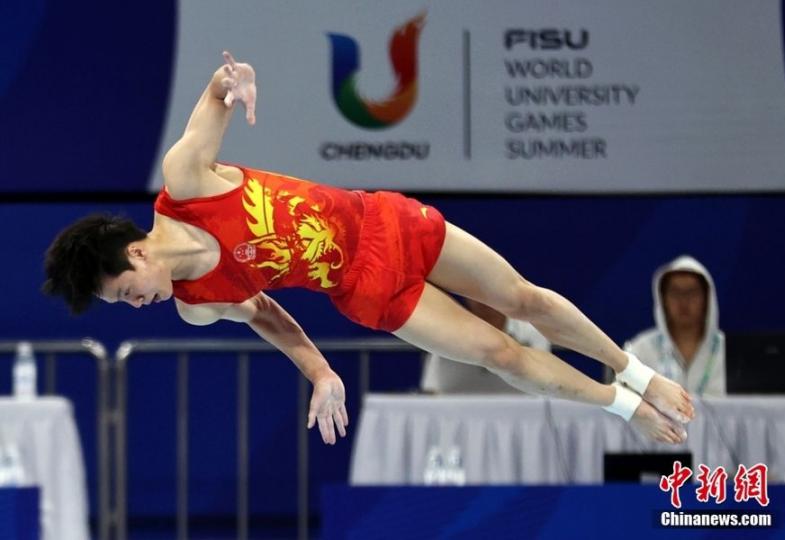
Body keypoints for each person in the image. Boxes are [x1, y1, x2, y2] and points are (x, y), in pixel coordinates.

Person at [42, 52, 694, 446]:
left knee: (518, 297)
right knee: (499, 353)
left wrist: (232, 81)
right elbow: (269, 316)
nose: (138, 306)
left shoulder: (184, 180)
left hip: (384, 221)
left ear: (134, 256)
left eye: (127, 294)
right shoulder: (196, 304)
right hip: (365, 291)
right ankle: (625, 408)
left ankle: (637, 372)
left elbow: (214, 94)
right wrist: (321, 372)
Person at [624, 255, 725, 397]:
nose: (684, 301)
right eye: (675, 292)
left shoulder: (726, 349)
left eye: (692, 292)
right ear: (663, 299)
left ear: (707, 298)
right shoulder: (640, 350)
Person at [421, 298, 550, 394]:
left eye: (487, 292)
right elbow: (431, 390)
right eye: (475, 293)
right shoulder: (446, 332)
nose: (482, 299)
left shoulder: (532, 332)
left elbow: (545, 387)